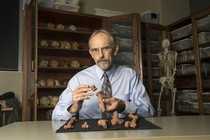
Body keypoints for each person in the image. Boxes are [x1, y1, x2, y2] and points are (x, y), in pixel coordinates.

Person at [52, 29, 154, 120]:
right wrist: (74, 108)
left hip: (121, 132)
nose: (101, 55)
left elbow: (149, 111)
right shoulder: (79, 79)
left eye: (105, 48)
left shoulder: (129, 76)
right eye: (95, 50)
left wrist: (123, 106)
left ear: (115, 50)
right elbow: (55, 116)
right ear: (91, 54)